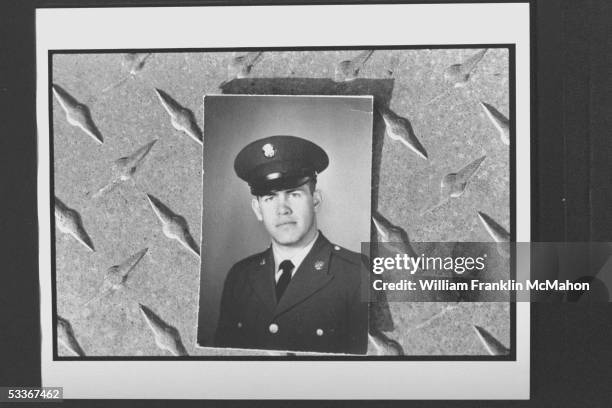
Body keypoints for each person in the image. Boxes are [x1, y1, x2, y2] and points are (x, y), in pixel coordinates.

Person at [214, 135, 368, 354]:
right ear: (258, 209)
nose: (282, 209)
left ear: (315, 200)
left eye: (294, 194)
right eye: (269, 198)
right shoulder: (239, 277)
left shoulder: (358, 273)